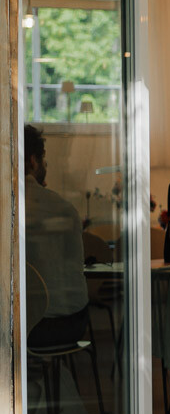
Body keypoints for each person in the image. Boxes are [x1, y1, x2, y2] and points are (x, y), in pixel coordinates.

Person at [23, 124, 91, 350]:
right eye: (43, 159)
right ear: (33, 161)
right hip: (74, 321)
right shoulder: (65, 208)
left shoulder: (8, 210)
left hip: (30, 327)